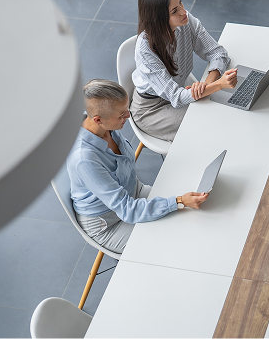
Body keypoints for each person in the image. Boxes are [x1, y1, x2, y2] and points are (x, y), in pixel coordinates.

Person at [67, 80, 209, 252]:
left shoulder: (101, 120)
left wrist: (178, 202)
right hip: (110, 223)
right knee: (173, 242)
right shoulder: (85, 159)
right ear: (98, 120)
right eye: (121, 115)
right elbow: (127, 210)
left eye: (126, 109)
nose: (129, 115)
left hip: (134, 193)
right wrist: (178, 201)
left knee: (192, 216)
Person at [131, 0, 238, 142]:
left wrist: (205, 85)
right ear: (159, 20)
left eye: (180, 3)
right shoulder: (145, 50)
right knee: (207, 126)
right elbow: (176, 97)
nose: (183, 11)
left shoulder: (186, 21)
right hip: (152, 108)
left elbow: (217, 53)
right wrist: (219, 85)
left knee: (221, 112)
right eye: (174, 11)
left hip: (179, 88)